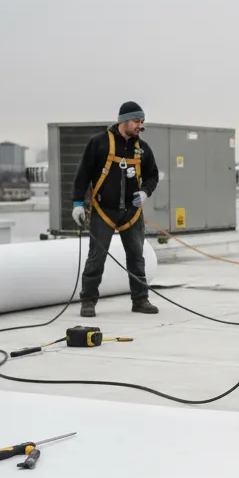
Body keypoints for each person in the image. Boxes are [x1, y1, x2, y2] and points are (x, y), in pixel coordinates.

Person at [71, 101, 160, 317]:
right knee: (96, 257)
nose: (140, 126)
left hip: (132, 212)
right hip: (104, 210)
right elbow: (83, 174)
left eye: (142, 122)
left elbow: (152, 175)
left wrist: (145, 192)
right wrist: (77, 204)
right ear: (123, 121)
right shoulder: (99, 143)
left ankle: (140, 300)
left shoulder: (143, 149)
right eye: (137, 121)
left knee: (136, 257)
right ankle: (88, 301)